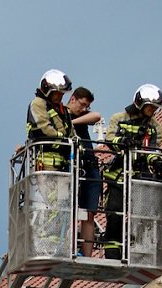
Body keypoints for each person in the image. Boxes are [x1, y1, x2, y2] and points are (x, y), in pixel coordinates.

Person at [103, 83, 162, 259]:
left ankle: (136, 252)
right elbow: (109, 139)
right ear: (140, 103)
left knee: (140, 217)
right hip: (118, 175)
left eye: (155, 107)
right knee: (114, 215)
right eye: (150, 106)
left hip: (140, 178)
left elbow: (152, 150)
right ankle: (112, 253)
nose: (153, 110)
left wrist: (157, 162)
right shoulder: (119, 118)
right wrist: (123, 141)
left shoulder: (155, 127)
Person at [67, 86, 102, 256]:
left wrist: (71, 122)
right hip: (69, 166)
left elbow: (96, 116)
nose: (84, 109)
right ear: (72, 99)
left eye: (86, 106)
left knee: (89, 212)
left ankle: (86, 255)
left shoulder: (79, 117)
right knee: (68, 210)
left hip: (89, 165)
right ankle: (68, 250)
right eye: (82, 105)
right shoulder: (58, 113)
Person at [26, 69, 73, 171]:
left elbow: (71, 132)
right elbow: (44, 128)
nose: (61, 96)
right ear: (47, 89)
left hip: (64, 162)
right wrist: (63, 138)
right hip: (46, 163)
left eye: (62, 94)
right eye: (57, 93)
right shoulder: (38, 103)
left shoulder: (62, 109)